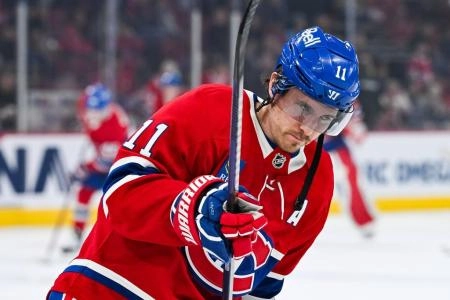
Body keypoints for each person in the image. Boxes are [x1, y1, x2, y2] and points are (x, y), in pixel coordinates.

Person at [48, 26, 360, 299]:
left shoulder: (316, 182)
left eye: (325, 119)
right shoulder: (210, 109)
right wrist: (194, 208)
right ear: (276, 83)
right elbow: (121, 194)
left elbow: (260, 290)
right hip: (111, 288)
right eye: (302, 108)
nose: (308, 129)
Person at [63, 83, 129, 253]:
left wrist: (85, 168)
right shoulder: (89, 111)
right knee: (83, 192)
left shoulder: (115, 127)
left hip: (120, 166)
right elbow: (84, 109)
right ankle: (77, 233)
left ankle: (124, 240)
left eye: (96, 109)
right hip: (106, 161)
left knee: (116, 203)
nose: (91, 112)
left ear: (105, 107)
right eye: (89, 108)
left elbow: (106, 162)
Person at [324, 106, 376, 238]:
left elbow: (355, 126)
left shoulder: (346, 99)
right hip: (316, 150)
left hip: (336, 150)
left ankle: (364, 221)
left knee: (351, 187)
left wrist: (355, 129)